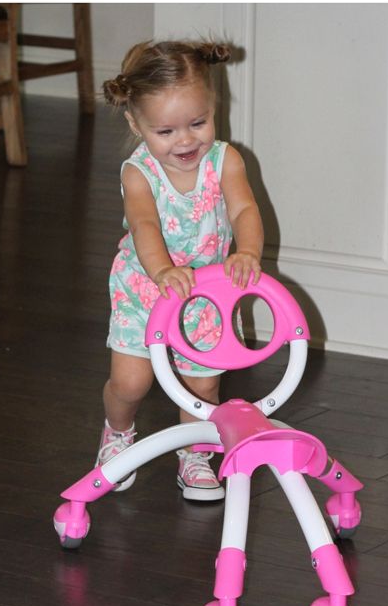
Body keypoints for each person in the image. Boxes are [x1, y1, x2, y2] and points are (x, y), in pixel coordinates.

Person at [96, 40, 264, 500]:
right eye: (166, 131)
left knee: (203, 383)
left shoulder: (226, 160)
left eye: (198, 123)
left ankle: (195, 453)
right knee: (131, 382)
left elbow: (245, 209)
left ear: (214, 108)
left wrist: (247, 251)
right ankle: (117, 432)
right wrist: (161, 270)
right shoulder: (139, 173)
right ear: (137, 124)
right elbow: (146, 224)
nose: (186, 140)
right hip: (145, 291)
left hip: (207, 294)